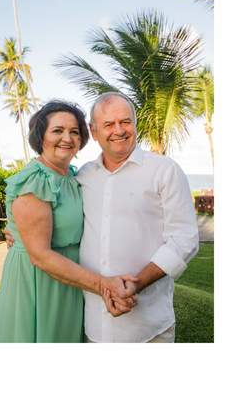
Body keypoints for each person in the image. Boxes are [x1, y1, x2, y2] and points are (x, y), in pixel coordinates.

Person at [0, 100, 138, 342]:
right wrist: (103, 285)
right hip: (40, 280)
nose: (67, 138)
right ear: (41, 136)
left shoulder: (73, 177)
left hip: (70, 278)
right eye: (57, 131)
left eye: (74, 131)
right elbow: (40, 255)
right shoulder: (36, 181)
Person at [75, 93, 200, 343]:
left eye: (126, 122)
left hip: (149, 327)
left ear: (135, 123)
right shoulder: (83, 176)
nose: (119, 130)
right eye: (109, 124)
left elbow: (184, 239)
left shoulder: (165, 170)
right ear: (94, 130)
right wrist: (17, 231)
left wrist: (137, 283)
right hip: (94, 326)